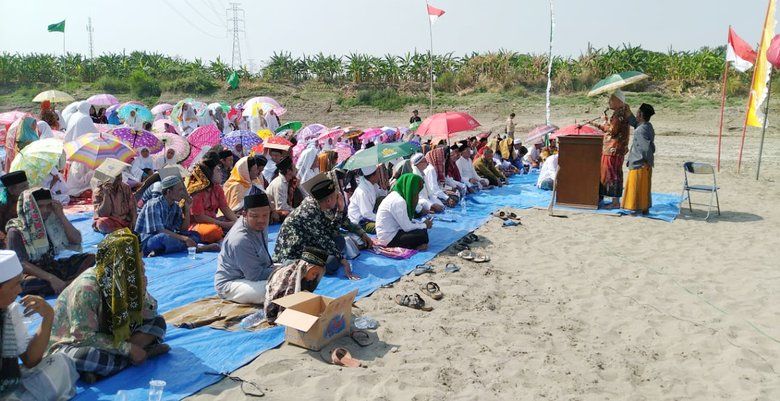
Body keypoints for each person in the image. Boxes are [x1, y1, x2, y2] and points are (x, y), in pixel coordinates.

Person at [48, 229, 169, 383]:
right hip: (75, 342)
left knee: (158, 323)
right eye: (136, 260)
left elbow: (149, 315)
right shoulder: (87, 287)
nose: (143, 264)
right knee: (86, 357)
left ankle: (106, 368)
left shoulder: (128, 278)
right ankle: (132, 358)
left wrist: (142, 293)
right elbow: (83, 336)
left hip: (110, 336)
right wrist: (128, 349)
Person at [0, 251, 79, 401]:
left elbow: (31, 360)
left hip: (8, 383)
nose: (20, 290)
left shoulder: (11, 311)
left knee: (60, 362)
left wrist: (48, 317)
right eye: (15, 285)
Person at [6, 189, 95, 296]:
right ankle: (70, 284)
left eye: (49, 206)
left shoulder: (50, 222)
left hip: (50, 266)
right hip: (31, 272)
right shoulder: (16, 230)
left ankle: (64, 285)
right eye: (40, 206)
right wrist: (51, 278)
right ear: (29, 207)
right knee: (26, 284)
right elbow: (21, 263)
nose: (46, 210)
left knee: (91, 258)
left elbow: (76, 239)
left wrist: (61, 215)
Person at [273, 174, 362, 280]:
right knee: (331, 262)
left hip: (310, 243)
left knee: (339, 240)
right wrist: (345, 263)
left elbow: (332, 232)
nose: (339, 197)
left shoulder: (318, 203)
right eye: (336, 196)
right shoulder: (310, 211)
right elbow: (325, 240)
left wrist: (340, 210)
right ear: (328, 201)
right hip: (294, 253)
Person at [214, 194, 274, 304]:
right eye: (255, 216)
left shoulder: (259, 225)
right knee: (275, 289)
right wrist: (282, 272)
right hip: (232, 283)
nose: (261, 220)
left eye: (265, 215)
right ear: (244, 214)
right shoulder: (240, 239)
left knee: (303, 271)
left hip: (254, 272)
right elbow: (256, 275)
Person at [135, 175, 214, 256]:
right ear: (169, 192)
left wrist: (187, 210)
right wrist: (184, 239)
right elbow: (160, 230)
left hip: (168, 236)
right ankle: (195, 248)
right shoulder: (153, 204)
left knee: (195, 235)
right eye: (180, 190)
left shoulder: (175, 207)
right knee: (163, 238)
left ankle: (169, 249)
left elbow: (183, 229)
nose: (183, 193)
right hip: (149, 241)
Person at [589, 90, 633, 208]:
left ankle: (615, 202)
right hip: (617, 149)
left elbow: (612, 130)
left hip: (613, 149)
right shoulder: (622, 112)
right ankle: (614, 200)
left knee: (611, 174)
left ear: (618, 101)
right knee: (615, 173)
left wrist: (600, 123)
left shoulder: (619, 114)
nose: (609, 102)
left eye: (611, 100)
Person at [264, 246, 328, 324]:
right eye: (313, 273)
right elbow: (272, 299)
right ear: (306, 268)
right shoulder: (286, 276)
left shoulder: (304, 276)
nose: (314, 277)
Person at [186, 152, 238, 243]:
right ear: (209, 174)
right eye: (217, 171)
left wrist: (238, 222)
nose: (221, 173)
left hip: (215, 221)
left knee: (244, 220)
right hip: (197, 224)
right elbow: (200, 217)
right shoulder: (196, 192)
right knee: (213, 231)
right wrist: (225, 224)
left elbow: (225, 208)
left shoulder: (217, 188)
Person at [375, 173, 431, 250]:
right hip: (389, 238)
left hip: (394, 231)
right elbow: (407, 227)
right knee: (422, 235)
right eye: (416, 192)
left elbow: (405, 221)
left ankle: (415, 245)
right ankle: (415, 246)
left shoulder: (397, 196)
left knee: (421, 230)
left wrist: (421, 224)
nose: (416, 196)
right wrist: (424, 225)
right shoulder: (398, 201)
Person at [622, 103, 656, 214]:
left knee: (636, 186)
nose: (636, 114)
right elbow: (635, 123)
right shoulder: (647, 126)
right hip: (644, 163)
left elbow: (645, 148)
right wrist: (628, 111)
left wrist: (645, 161)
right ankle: (644, 208)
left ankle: (634, 208)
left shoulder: (641, 130)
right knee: (644, 187)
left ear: (640, 115)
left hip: (639, 162)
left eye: (637, 113)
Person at [92, 160, 137, 234]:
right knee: (101, 223)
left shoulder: (126, 187)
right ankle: (122, 232)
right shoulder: (99, 191)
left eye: (120, 176)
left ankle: (123, 232)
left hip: (125, 220)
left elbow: (133, 207)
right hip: (110, 221)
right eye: (116, 177)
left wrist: (134, 222)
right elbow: (103, 214)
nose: (119, 179)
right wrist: (106, 195)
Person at [347, 165, 386, 234]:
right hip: (360, 222)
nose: (379, 175)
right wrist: (384, 219)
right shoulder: (362, 192)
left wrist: (384, 184)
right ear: (373, 176)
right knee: (386, 227)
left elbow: (382, 195)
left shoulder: (373, 184)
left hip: (369, 214)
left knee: (383, 199)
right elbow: (366, 214)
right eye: (378, 173)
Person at [0, 171, 29, 243]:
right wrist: (6, 240)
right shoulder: (2, 206)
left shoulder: (28, 200)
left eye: (27, 185)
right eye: (23, 187)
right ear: (11, 190)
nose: (27, 189)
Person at [266, 157, 297, 221]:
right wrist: (297, 211)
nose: (296, 169)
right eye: (294, 167)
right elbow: (281, 207)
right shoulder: (280, 184)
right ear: (288, 171)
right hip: (275, 213)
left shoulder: (287, 181)